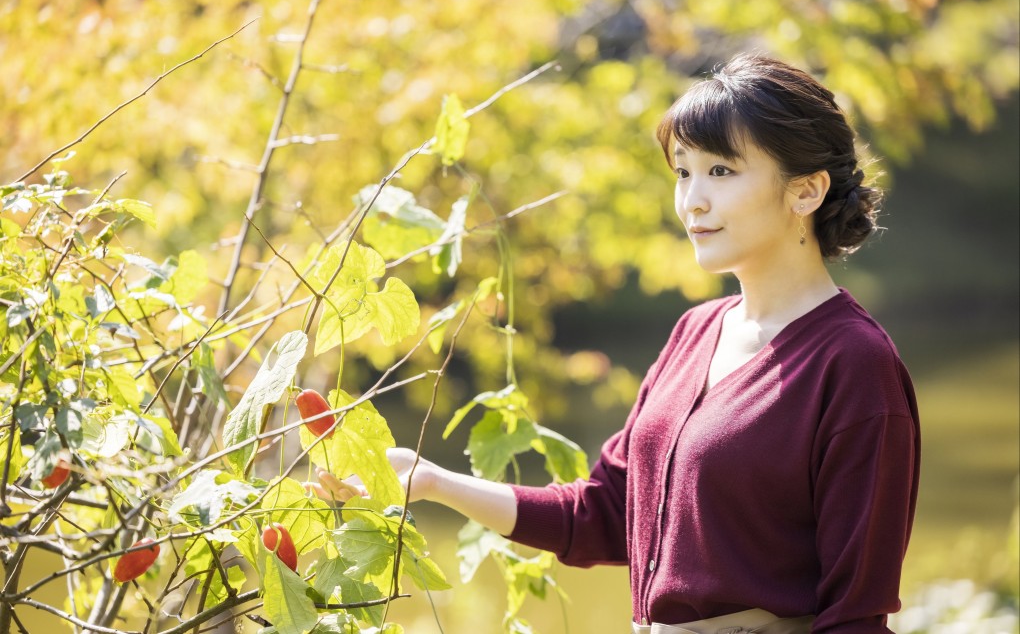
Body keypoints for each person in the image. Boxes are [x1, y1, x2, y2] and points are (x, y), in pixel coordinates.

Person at [310, 54, 920, 634]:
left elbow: (856, 616)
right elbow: (603, 515)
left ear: (805, 191)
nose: (692, 199)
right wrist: (433, 481)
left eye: (721, 171)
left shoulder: (854, 366)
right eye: (683, 171)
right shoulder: (696, 331)